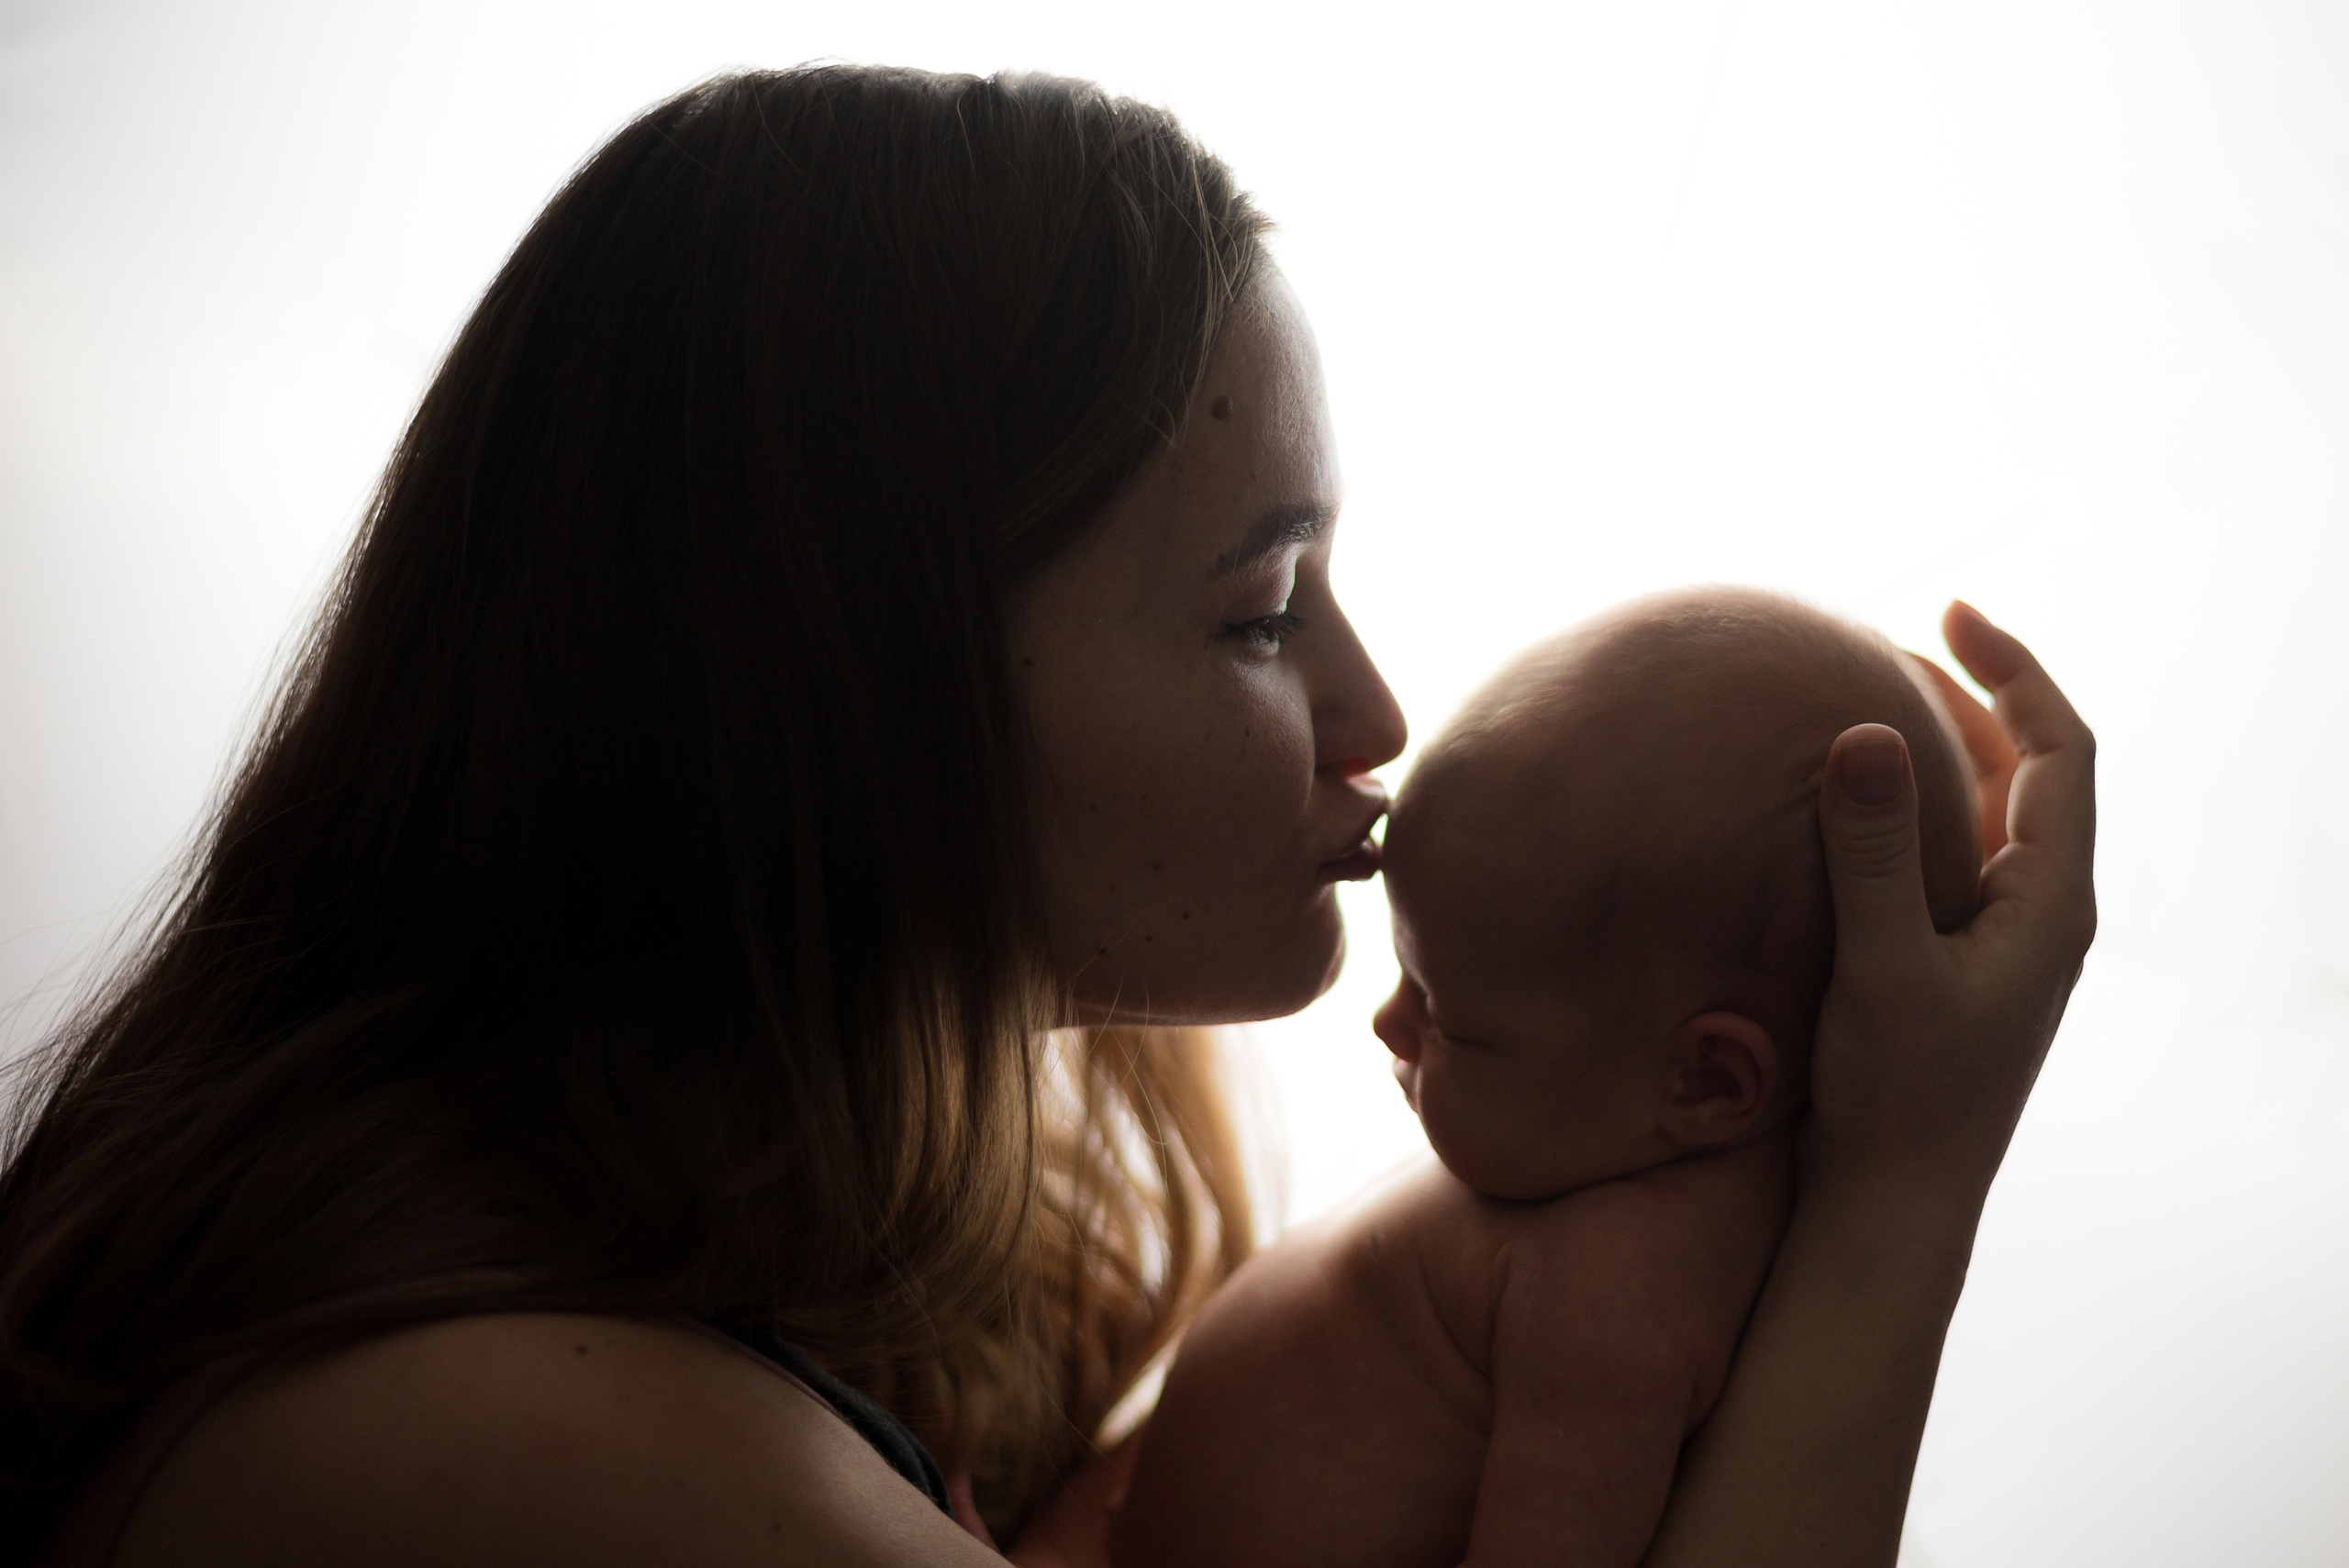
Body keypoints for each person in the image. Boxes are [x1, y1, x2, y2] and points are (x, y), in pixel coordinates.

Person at [0, 64, 2096, 1568]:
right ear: (852, 690)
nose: (1375, 709)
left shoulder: (783, 1327)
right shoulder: (581, 1456)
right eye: (1261, 604)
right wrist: (1897, 1183)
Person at [1112, 588, 1985, 1567]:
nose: (1388, 1023)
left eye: (1446, 1012)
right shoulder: (1585, 1171)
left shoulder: (1623, 1281)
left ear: (1705, 1081)